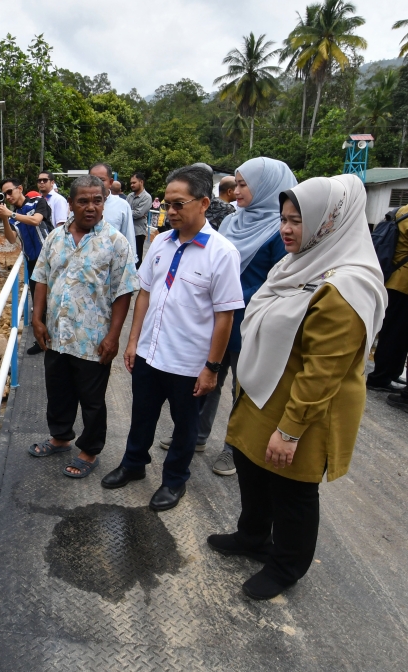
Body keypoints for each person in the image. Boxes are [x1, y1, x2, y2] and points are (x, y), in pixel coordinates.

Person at [208, 174, 386, 600]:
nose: (286, 229)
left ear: (330, 222)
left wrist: (289, 432)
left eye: (298, 221)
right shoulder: (296, 264)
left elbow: (322, 372)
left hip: (304, 408)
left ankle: (287, 565)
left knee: (291, 488)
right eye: (284, 218)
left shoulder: (346, 287)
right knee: (252, 468)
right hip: (264, 392)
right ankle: (252, 536)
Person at [101, 165, 244, 511]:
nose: (172, 211)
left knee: (185, 427)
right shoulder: (161, 242)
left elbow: (225, 317)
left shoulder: (222, 253)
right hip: (151, 353)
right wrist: (134, 342)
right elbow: (145, 295)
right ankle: (133, 464)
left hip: (190, 362)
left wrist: (212, 367)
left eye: (179, 204)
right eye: (168, 204)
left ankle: (174, 481)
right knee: (142, 415)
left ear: (204, 203)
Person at [158, 158, 295, 476]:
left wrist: (241, 301)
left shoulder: (280, 231)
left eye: (244, 184)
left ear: (267, 188)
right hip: (220, 317)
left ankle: (233, 448)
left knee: (243, 387)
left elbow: (280, 283)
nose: (236, 190)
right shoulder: (234, 222)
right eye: (236, 183)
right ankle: (197, 436)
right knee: (209, 379)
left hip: (254, 323)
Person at [26, 175, 139, 478]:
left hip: (93, 338)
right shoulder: (55, 237)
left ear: (104, 202)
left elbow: (123, 291)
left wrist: (114, 337)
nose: (91, 207)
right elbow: (41, 279)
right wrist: (37, 320)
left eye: (97, 200)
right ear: (72, 204)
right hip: (56, 334)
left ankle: (89, 450)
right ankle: (61, 437)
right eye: (84, 201)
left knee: (91, 399)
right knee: (58, 389)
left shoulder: (116, 242)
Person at [0, 177, 53, 355]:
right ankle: (41, 341)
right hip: (32, 261)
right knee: (38, 302)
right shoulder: (12, 216)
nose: (8, 197)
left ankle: (60, 338)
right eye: (4, 195)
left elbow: (36, 221)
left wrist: (10, 214)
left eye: (10, 192)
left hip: (50, 257)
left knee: (56, 298)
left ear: (20, 188)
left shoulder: (38, 202)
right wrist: (4, 218)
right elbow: (11, 239)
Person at [366, 203, 408, 396]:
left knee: (398, 335)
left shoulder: (403, 210)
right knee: (394, 335)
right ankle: (380, 377)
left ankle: (390, 372)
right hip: (401, 285)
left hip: (397, 281)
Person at [89, 163, 137, 265]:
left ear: (110, 182)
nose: (96, 184)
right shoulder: (79, 205)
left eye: (101, 180)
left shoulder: (122, 205)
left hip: (112, 266)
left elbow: (129, 238)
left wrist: (131, 264)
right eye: (92, 179)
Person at [127, 172, 152, 268]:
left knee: (136, 256)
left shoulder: (146, 197)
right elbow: (127, 211)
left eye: (134, 182)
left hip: (138, 231)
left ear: (141, 182)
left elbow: (139, 214)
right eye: (131, 183)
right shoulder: (130, 196)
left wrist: (129, 212)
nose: (132, 185)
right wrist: (132, 213)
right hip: (128, 230)